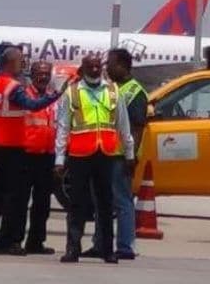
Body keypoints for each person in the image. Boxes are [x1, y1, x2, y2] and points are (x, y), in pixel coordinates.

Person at [0, 47, 65, 255]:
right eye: (21, 61)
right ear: (11, 63)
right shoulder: (14, 87)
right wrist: (57, 95)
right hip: (16, 150)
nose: (23, 64)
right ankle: (9, 241)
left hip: (1, 148)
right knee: (14, 200)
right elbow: (32, 105)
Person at [56, 53, 134, 264]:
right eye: (90, 66)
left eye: (97, 66)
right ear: (83, 69)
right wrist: (59, 159)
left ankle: (107, 250)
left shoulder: (113, 91)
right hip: (80, 155)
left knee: (106, 203)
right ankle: (73, 248)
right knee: (77, 204)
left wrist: (129, 154)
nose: (94, 70)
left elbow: (123, 125)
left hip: (106, 154)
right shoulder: (72, 93)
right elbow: (63, 127)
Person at [84, 48, 147, 260]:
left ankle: (125, 246)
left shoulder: (134, 92)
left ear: (121, 65)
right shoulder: (110, 88)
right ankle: (100, 244)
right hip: (104, 151)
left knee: (122, 201)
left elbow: (138, 127)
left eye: (110, 64)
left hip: (120, 156)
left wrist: (131, 155)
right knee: (101, 200)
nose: (107, 68)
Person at [19, 60, 62, 255]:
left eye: (46, 73)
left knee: (42, 203)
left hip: (47, 156)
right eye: (39, 73)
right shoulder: (24, 95)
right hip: (26, 154)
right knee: (20, 201)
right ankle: (15, 239)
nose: (43, 77)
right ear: (32, 74)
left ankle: (36, 242)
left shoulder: (54, 98)